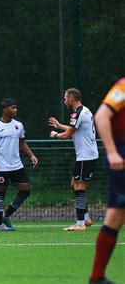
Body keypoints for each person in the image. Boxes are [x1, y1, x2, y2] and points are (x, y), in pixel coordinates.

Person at [89, 78, 125, 284]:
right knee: (115, 216)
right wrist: (112, 152)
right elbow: (102, 115)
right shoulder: (123, 87)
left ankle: (96, 278)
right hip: (121, 156)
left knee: (115, 218)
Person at [48, 88, 98, 231]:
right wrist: (59, 126)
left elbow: (67, 135)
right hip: (87, 155)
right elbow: (74, 129)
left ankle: (80, 224)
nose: (64, 101)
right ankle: (86, 218)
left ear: (71, 98)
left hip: (85, 156)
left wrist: (54, 134)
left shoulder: (77, 113)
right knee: (74, 184)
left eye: (65, 98)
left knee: (79, 186)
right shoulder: (85, 111)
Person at [0, 98, 38, 231]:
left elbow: (22, 143)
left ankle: (6, 215)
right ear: (5, 109)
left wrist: (31, 155)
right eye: (13, 108)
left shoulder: (19, 125)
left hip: (17, 165)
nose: (15, 110)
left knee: (25, 191)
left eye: (16, 108)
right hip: (1, 166)